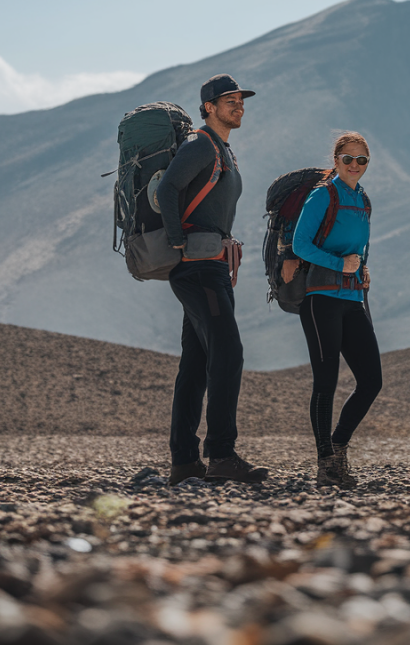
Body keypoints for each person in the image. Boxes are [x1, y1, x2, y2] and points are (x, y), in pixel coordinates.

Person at [155, 74, 268, 485]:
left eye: (241, 99)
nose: (238, 105)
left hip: (212, 265)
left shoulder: (223, 149)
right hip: (199, 268)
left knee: (197, 362)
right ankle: (220, 454)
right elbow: (169, 188)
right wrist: (177, 241)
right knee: (229, 352)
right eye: (229, 100)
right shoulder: (201, 144)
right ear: (208, 107)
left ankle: (184, 461)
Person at [290, 132, 382, 488]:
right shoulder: (323, 195)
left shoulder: (363, 200)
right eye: (348, 159)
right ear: (336, 160)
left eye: (362, 161)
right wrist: (339, 264)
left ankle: (338, 446)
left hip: (351, 299)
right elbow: (301, 244)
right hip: (321, 299)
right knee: (326, 382)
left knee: (371, 381)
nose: (354, 166)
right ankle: (326, 463)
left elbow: (360, 247)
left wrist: (362, 268)